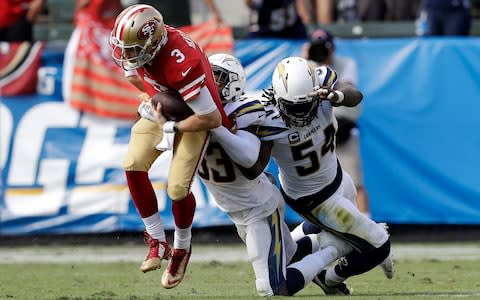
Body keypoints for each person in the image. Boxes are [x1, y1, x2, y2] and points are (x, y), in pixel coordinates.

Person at [193, 53, 352, 296]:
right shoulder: (191, 109)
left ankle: (335, 247)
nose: (211, 83)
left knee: (271, 287)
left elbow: (252, 164)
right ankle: (329, 253)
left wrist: (218, 129)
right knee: (292, 256)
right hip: (237, 208)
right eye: (208, 76)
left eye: (219, 77)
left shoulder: (246, 110)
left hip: (260, 207)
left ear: (234, 81)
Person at [109, 4, 231, 289]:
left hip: (193, 117)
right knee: (132, 163)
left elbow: (211, 117)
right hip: (166, 109)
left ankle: (181, 248)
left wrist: (172, 126)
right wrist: (151, 99)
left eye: (132, 49)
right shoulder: (142, 48)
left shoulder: (180, 62)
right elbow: (135, 76)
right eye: (124, 48)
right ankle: (156, 239)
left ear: (152, 43)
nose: (126, 56)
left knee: (176, 188)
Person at [258, 57, 393, 292]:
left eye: (305, 104)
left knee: (329, 230)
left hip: (338, 178)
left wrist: (337, 95)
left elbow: (354, 95)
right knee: (379, 245)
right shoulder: (264, 114)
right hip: (313, 198)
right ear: (278, 98)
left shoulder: (322, 82)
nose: (301, 113)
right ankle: (330, 278)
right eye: (293, 106)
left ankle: (293, 250)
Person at [305, 29, 369, 215]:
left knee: (354, 182)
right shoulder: (305, 66)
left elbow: (349, 92)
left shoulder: (346, 64)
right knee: (318, 187)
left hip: (342, 129)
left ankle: (369, 226)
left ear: (332, 48)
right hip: (315, 131)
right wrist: (304, 62)